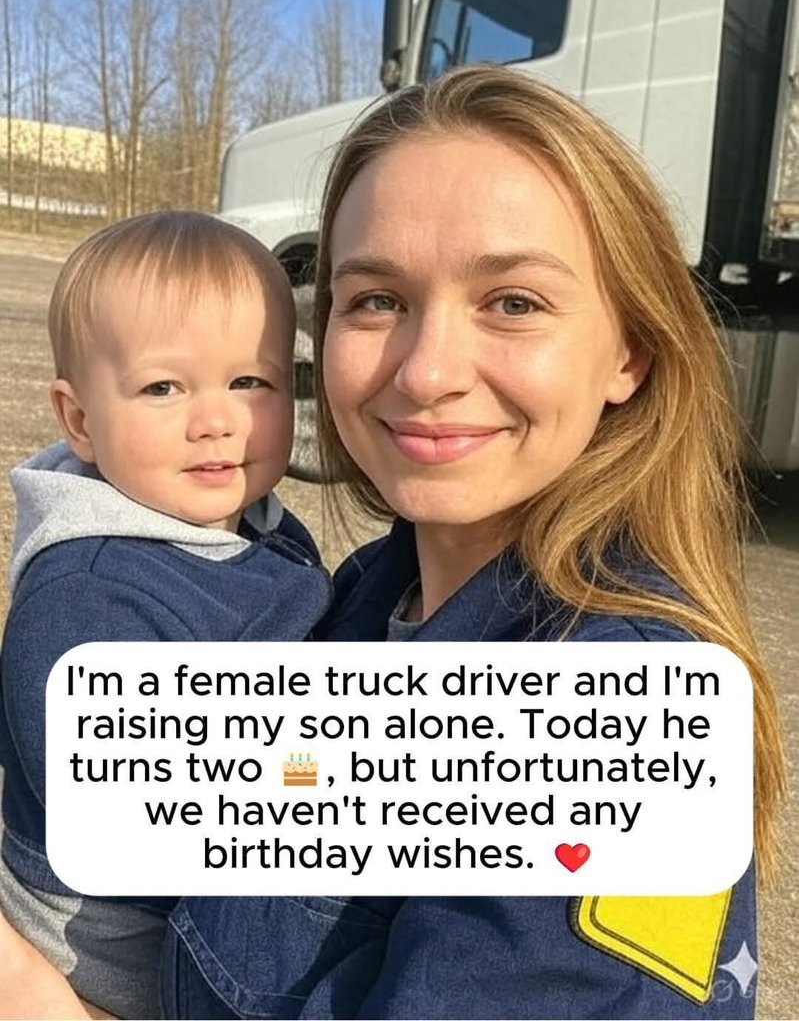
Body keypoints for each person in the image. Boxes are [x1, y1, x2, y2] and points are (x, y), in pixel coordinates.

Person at [0, 67, 785, 1019]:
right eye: (376, 300)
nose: (426, 372)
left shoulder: (620, 716)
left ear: (629, 350)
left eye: (513, 303)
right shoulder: (366, 594)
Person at [0, 211, 333, 1019]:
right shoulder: (90, 589)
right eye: (162, 388)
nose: (215, 420)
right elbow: (128, 807)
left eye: (249, 382)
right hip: (117, 962)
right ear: (80, 420)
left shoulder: (251, 526)